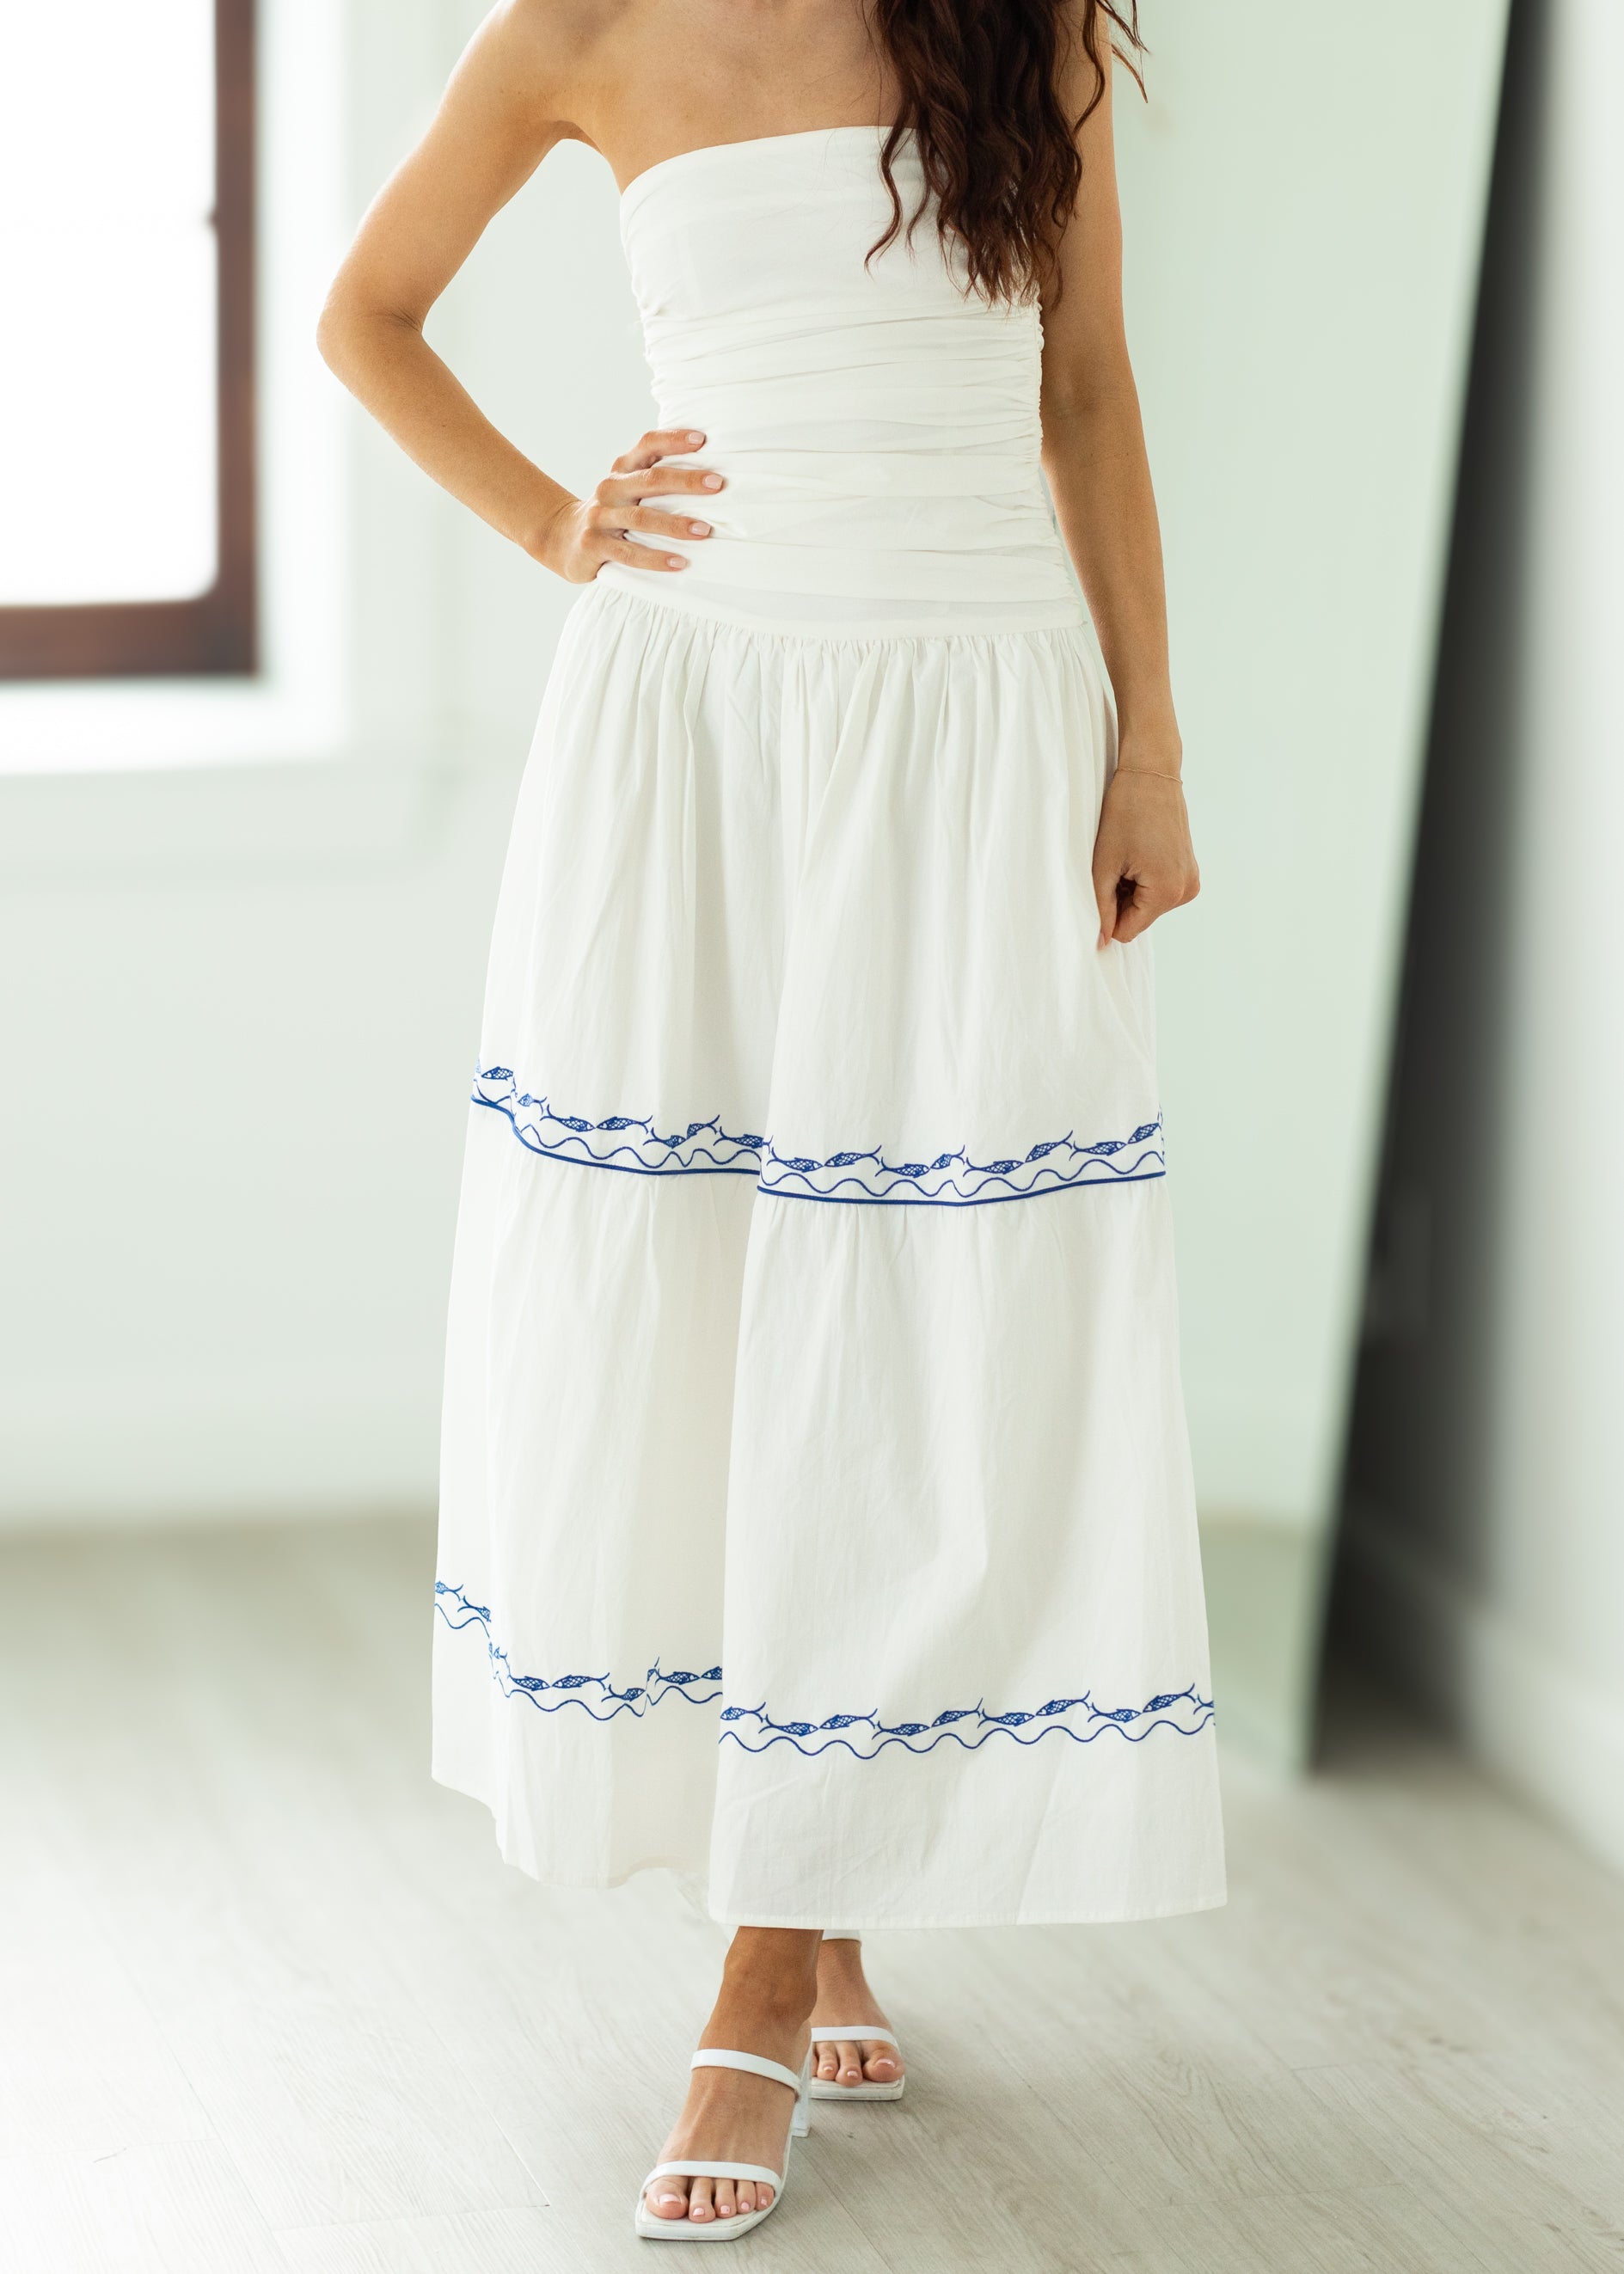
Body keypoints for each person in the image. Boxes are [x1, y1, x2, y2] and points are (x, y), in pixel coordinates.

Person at [320, 0, 1224, 2240]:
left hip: (972, 709)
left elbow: (1087, 392)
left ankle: (765, 1950)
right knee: (723, 1297)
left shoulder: (1023, 36)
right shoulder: (577, 31)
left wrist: (1148, 754)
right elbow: (366, 314)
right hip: (697, 724)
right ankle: (797, 1907)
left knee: (922, 1325)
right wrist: (553, 522)